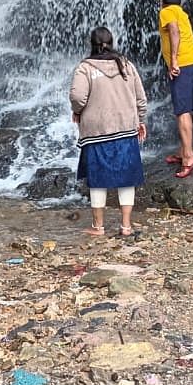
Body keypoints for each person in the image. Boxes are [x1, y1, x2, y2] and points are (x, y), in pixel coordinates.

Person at [70, 25, 147, 237]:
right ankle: (126, 226)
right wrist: (141, 120)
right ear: (111, 42)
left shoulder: (85, 68)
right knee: (127, 177)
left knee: (97, 178)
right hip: (125, 128)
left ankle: (98, 226)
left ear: (91, 44)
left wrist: (78, 111)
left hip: (96, 131)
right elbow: (140, 96)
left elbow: (77, 97)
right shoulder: (126, 65)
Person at [158, 0, 193, 178]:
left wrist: (174, 61)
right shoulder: (181, 12)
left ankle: (189, 156)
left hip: (183, 65)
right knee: (186, 111)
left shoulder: (166, 12)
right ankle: (184, 150)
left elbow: (174, 31)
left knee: (182, 112)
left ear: (162, 1)